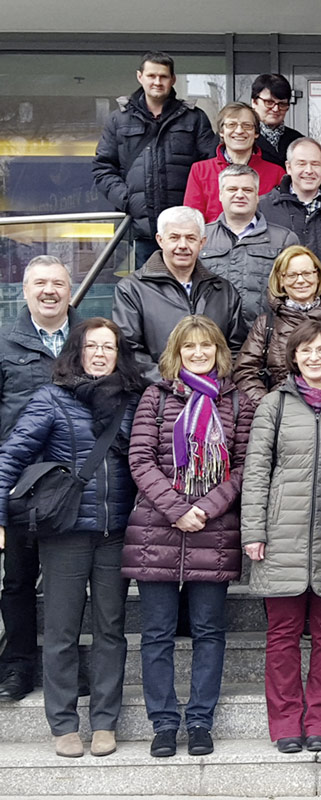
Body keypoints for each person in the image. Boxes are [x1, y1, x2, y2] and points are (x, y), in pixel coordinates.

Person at [0, 319, 142, 758]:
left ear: (119, 354)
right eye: (91, 346)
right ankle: (63, 724)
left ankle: (104, 722)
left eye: (108, 347)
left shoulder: (133, 401)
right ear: (76, 352)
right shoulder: (51, 398)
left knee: (111, 630)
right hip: (64, 534)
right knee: (61, 630)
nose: (100, 354)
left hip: (115, 532)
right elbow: (12, 456)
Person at [124, 315, 254, 758]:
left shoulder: (237, 402)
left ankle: (200, 720)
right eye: (189, 347)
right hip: (156, 529)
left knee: (209, 631)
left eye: (206, 346)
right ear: (175, 353)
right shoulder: (156, 397)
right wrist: (178, 510)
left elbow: (244, 467)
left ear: (219, 351)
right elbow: (141, 459)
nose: (198, 353)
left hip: (213, 530)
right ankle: (163, 723)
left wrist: (206, 508)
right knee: (157, 633)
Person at [241, 319, 321, 754]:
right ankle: (286, 720)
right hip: (280, 535)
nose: (314, 357)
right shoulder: (273, 404)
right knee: (282, 635)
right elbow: (256, 472)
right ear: (293, 357)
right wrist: (254, 530)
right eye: (306, 350)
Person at [0, 256, 79, 704]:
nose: (49, 291)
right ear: (25, 289)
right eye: (40, 283)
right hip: (21, 481)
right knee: (18, 579)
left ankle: (65, 667)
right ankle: (18, 665)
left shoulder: (91, 338)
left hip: (73, 480)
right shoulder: (4, 343)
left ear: (70, 289)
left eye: (58, 283)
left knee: (71, 581)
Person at [92, 51, 219, 267]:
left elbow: (210, 167)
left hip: (185, 229)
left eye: (163, 76)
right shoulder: (119, 119)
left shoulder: (194, 118)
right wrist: (127, 199)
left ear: (173, 79)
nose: (157, 82)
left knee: (189, 283)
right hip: (140, 228)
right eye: (151, 76)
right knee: (146, 285)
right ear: (140, 77)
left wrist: (197, 207)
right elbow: (103, 168)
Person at [111, 206, 244, 381]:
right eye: (174, 237)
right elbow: (129, 351)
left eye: (191, 238)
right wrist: (172, 384)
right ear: (160, 240)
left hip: (215, 391)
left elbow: (237, 349)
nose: (182, 245)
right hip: (157, 392)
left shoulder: (223, 290)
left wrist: (214, 383)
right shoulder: (132, 289)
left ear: (202, 242)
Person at [232, 245, 321, 405]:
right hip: (282, 409)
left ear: (318, 276)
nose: (300, 280)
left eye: (307, 273)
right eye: (292, 275)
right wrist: (270, 405)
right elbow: (245, 371)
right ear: (281, 280)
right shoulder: (266, 323)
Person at [199, 164, 300, 329]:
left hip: (265, 335)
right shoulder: (201, 237)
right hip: (210, 336)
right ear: (220, 194)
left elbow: (295, 294)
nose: (240, 195)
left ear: (257, 196)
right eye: (232, 189)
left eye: (247, 190)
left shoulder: (284, 240)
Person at [260, 137, 321, 271]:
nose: (309, 170)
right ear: (289, 167)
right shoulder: (263, 209)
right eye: (301, 164)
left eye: (315, 164)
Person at [183, 101, 285, 223]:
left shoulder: (276, 173)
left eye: (247, 125)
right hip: (213, 235)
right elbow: (192, 219)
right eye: (231, 125)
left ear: (256, 133)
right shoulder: (200, 170)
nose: (239, 131)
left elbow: (282, 218)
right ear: (221, 132)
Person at [250, 73, 303, 168]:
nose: (275, 109)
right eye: (269, 102)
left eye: (282, 104)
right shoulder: (241, 137)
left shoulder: (298, 140)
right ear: (254, 102)